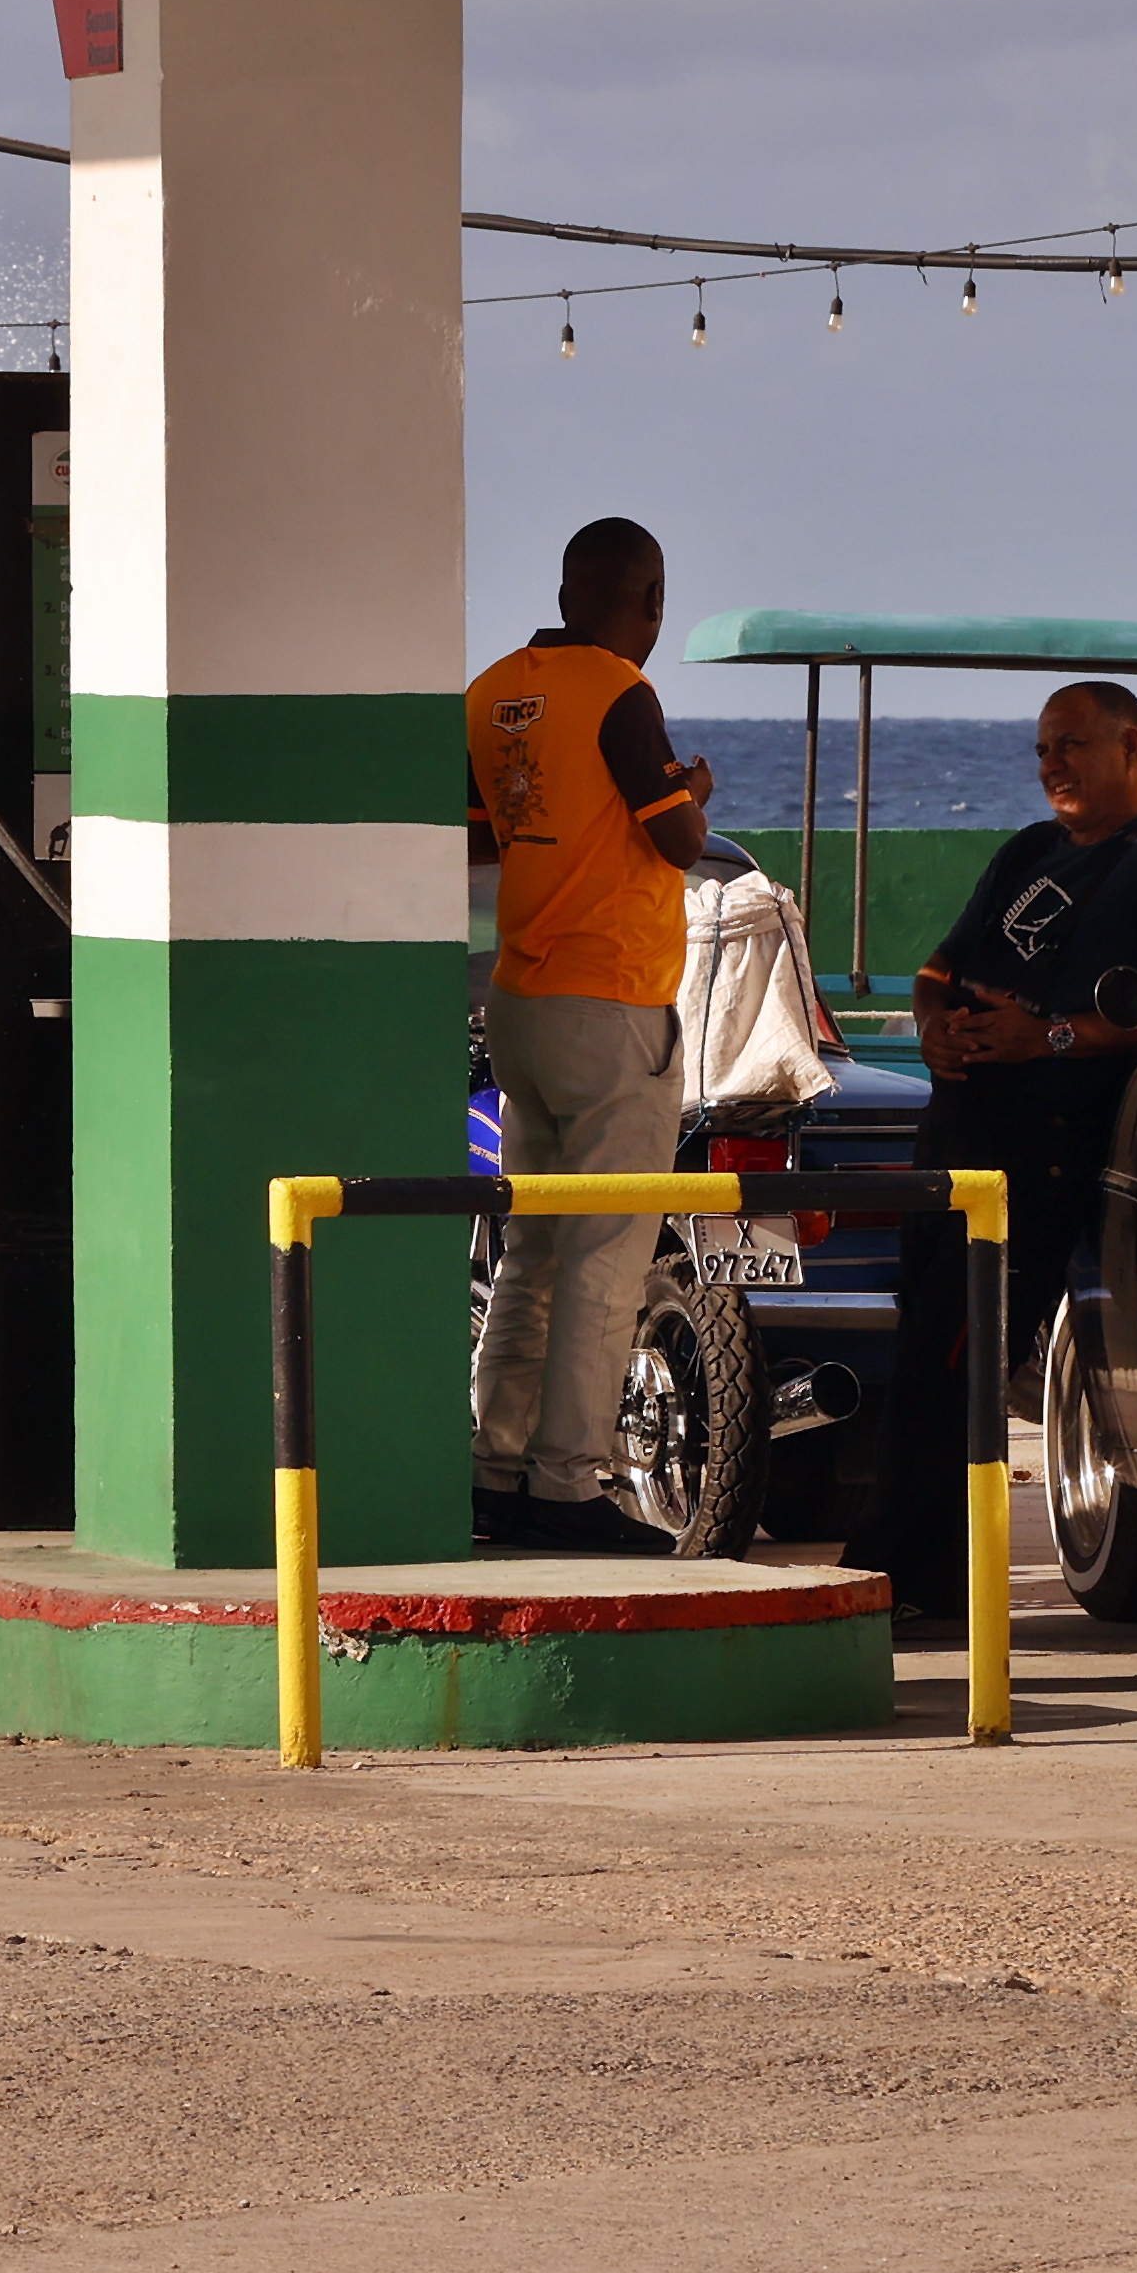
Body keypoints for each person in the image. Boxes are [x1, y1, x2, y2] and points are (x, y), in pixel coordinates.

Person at [845, 681, 1137, 1623]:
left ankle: (889, 1577)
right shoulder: (1027, 852)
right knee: (919, 1350)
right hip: (955, 1142)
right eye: (1043, 750)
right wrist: (933, 1031)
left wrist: (1040, 1040)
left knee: (957, 1361)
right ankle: (918, 1578)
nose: (1052, 767)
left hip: (1041, 1157)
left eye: (1072, 747)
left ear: (1132, 748)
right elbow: (937, 972)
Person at [464, 517, 713, 1552]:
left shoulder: (489, 695)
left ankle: (494, 1466)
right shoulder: (622, 691)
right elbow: (678, 838)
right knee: (607, 1258)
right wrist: (691, 791)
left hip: (521, 1000)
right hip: (612, 1005)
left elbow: (482, 836)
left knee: (532, 1255)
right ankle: (568, 1487)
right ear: (647, 600)